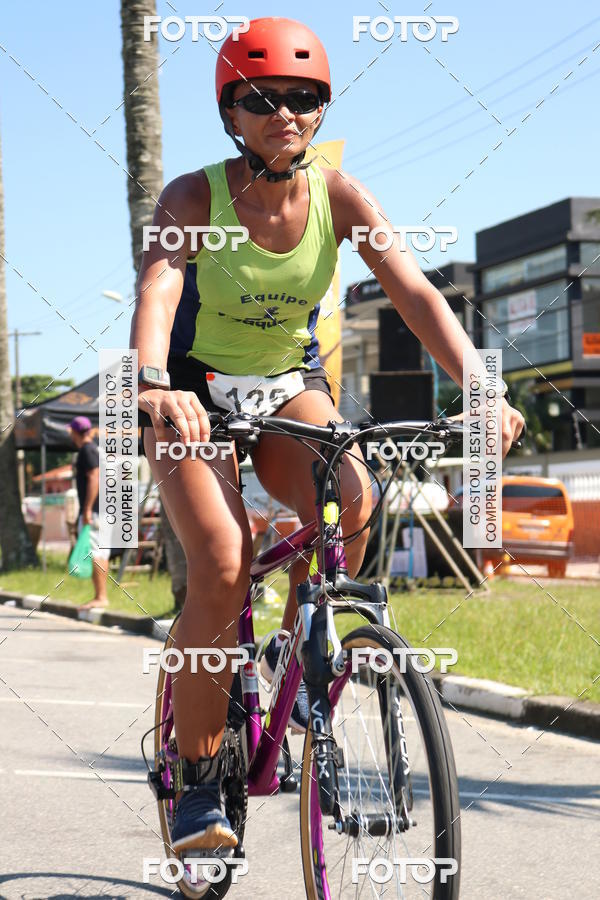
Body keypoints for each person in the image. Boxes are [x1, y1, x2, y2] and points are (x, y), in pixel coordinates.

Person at [130, 16, 524, 858]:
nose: (286, 113)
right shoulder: (193, 197)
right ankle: (199, 786)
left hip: (283, 383)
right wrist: (155, 383)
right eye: (262, 99)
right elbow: (160, 291)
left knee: (354, 491)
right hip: (190, 392)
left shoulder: (341, 196)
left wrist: (484, 391)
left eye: (304, 98)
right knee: (225, 560)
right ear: (231, 112)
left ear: (322, 109)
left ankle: (299, 642)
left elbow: (415, 292)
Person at [68, 416, 110, 609]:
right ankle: (101, 595)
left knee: (95, 552)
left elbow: (94, 478)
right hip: (103, 509)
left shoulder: (86, 450)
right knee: (101, 551)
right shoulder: (96, 449)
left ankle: (101, 597)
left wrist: (86, 509)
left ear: (74, 432)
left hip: (94, 511)